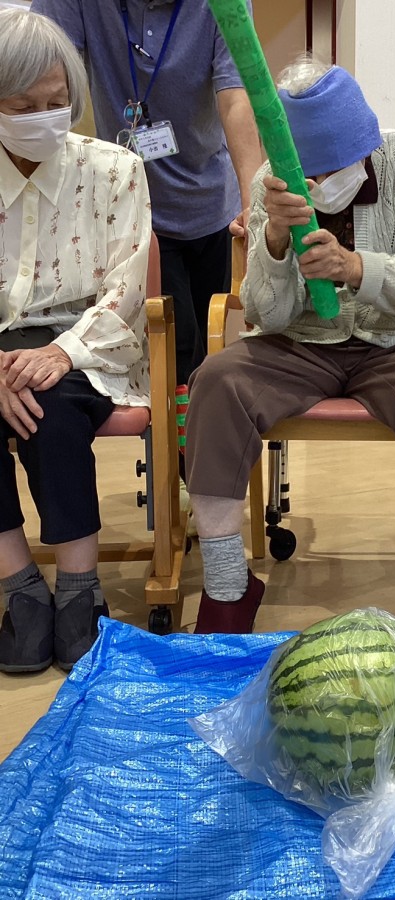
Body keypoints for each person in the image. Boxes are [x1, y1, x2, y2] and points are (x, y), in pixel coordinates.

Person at [184, 57, 395, 641]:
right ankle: (226, 590)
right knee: (217, 381)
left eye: (336, 166)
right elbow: (266, 313)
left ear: (363, 143)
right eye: (312, 172)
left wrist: (355, 267)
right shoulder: (271, 184)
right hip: (299, 345)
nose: (323, 181)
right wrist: (275, 242)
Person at [0, 9, 152, 673]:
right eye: (21, 106)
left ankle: (78, 590)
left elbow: (127, 288)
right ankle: (20, 590)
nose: (43, 117)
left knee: (52, 406)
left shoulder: (116, 169)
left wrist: (62, 352)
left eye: (56, 102)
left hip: (88, 342)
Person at [31, 0, 262, 387]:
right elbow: (39, 79)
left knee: (209, 344)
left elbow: (236, 97)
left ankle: (196, 420)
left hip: (211, 204)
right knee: (172, 348)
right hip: (130, 208)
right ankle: (179, 423)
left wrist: (253, 203)